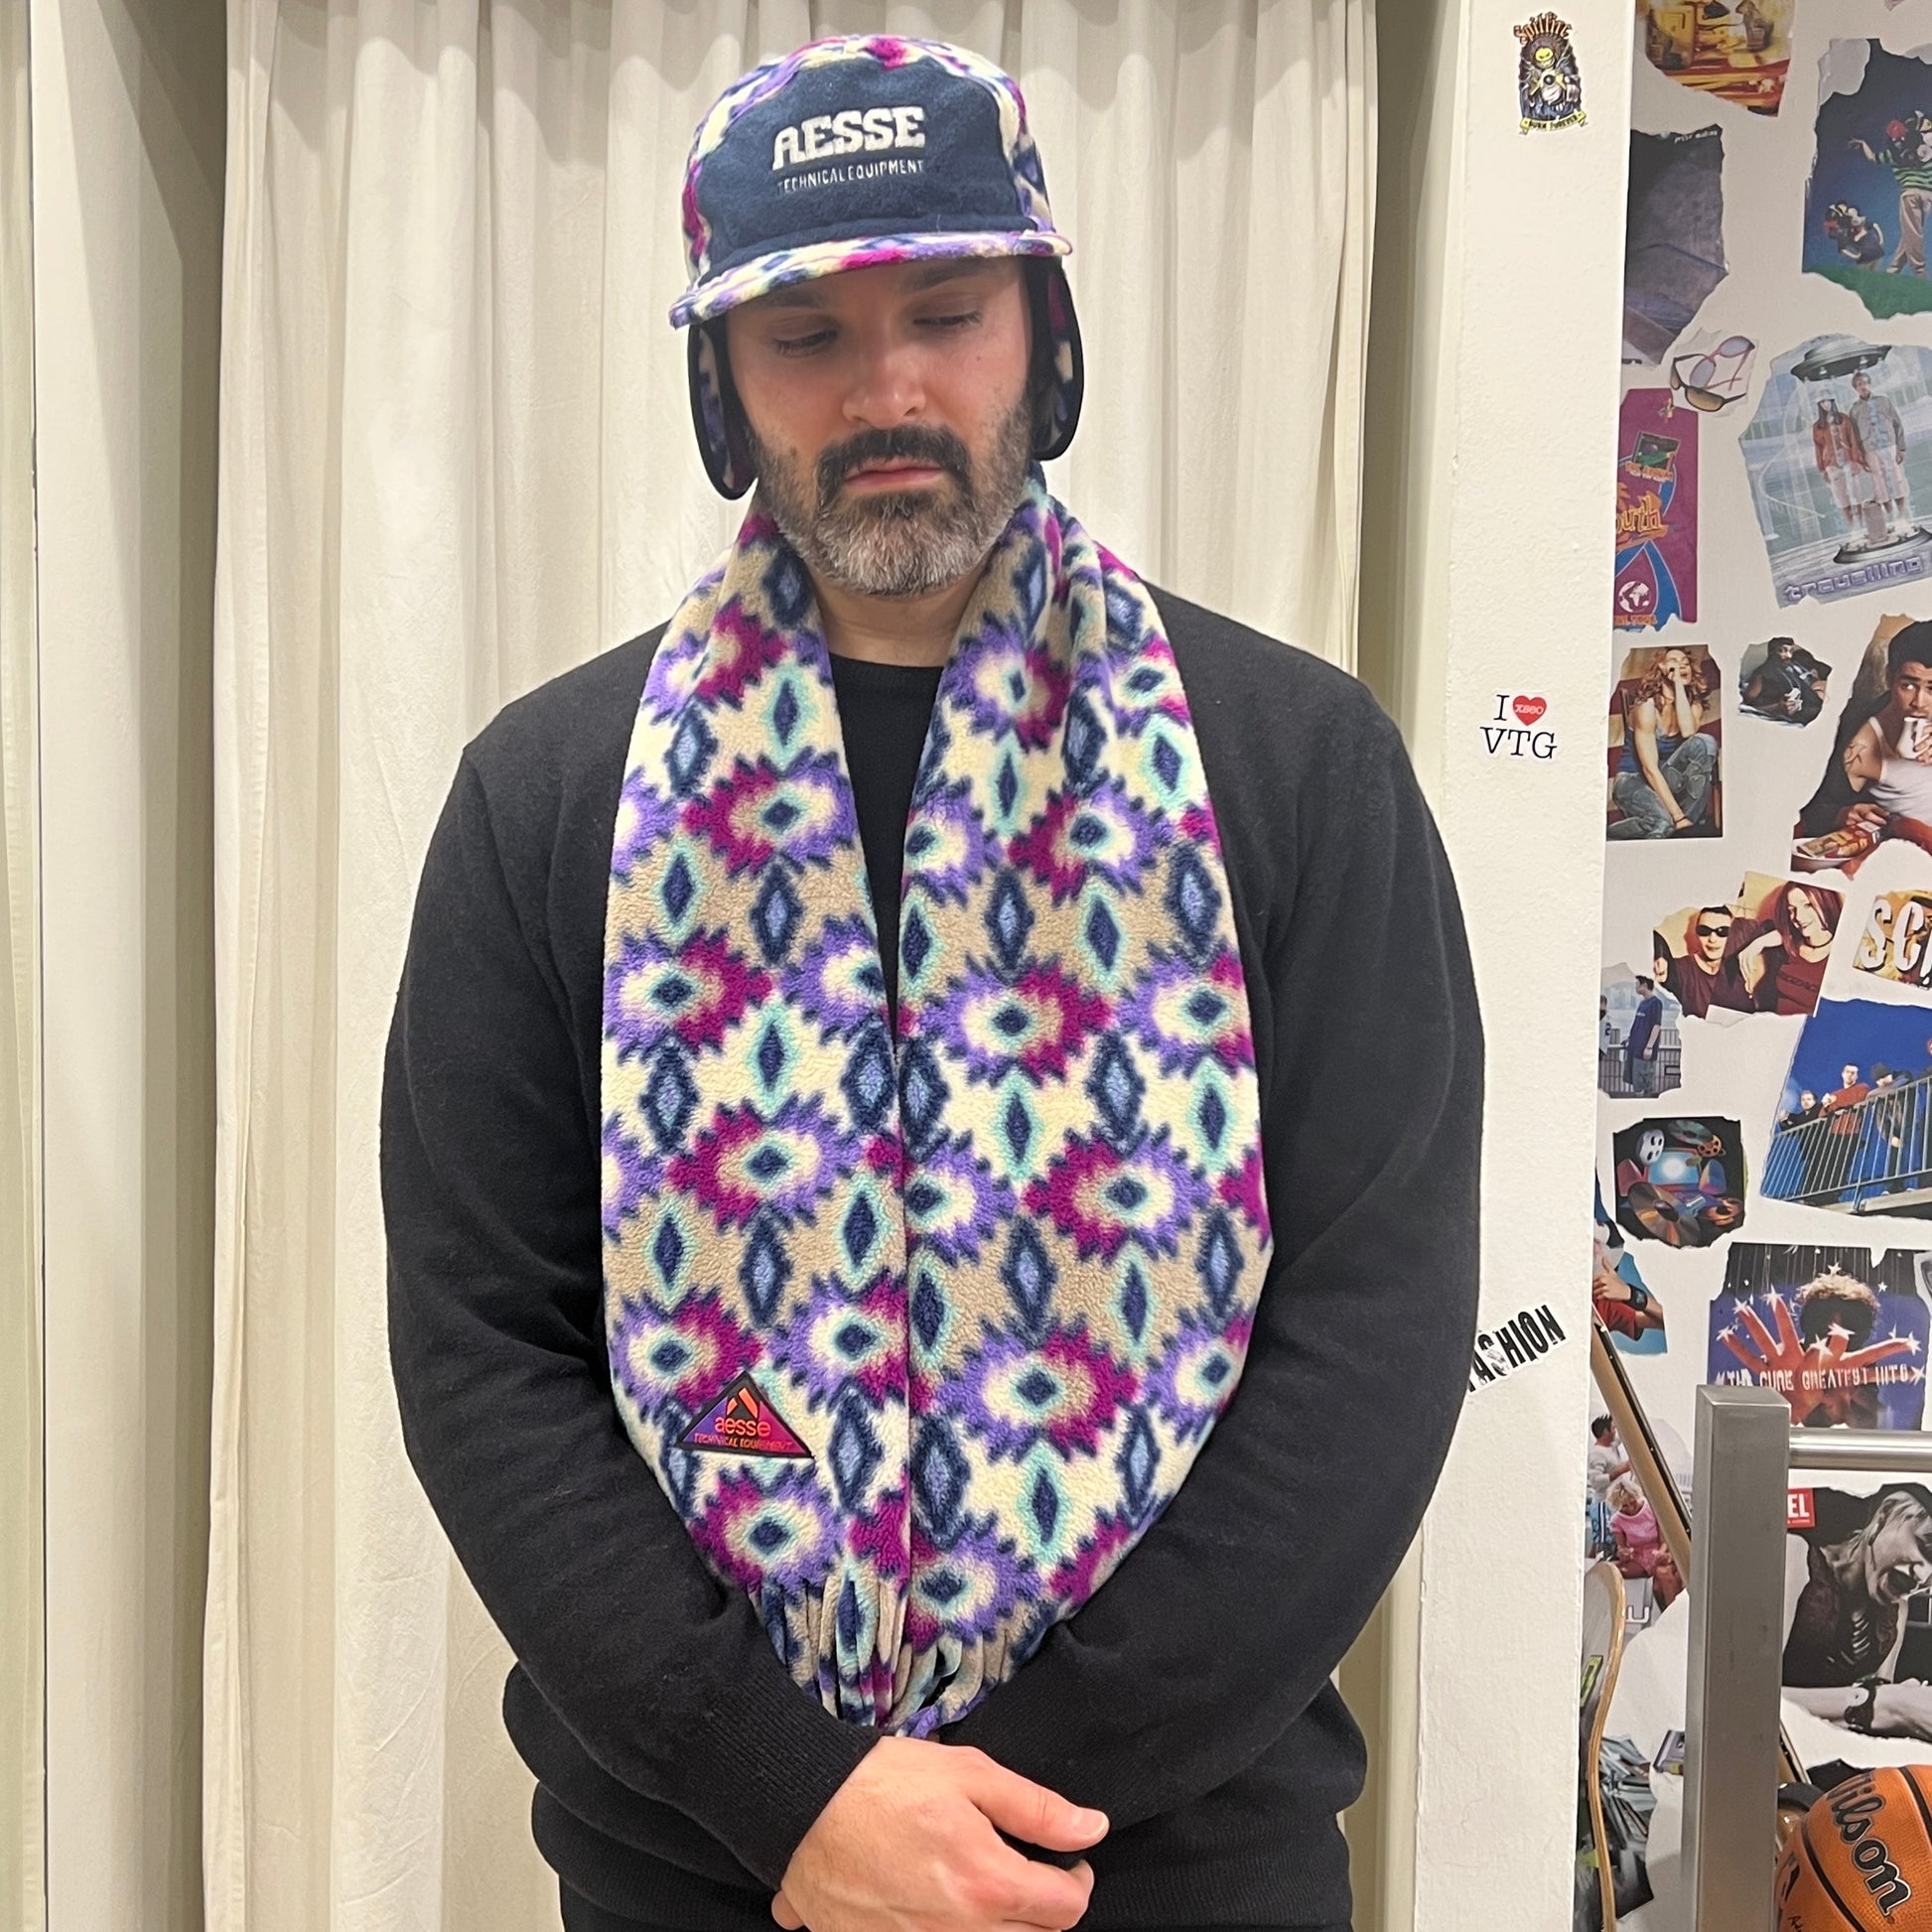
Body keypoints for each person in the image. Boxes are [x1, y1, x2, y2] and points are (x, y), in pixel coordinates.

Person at [379, 37, 1481, 1932]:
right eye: (805, 333)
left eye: (948, 313)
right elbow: (484, 1344)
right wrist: (791, 1795)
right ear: (722, 383)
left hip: (1174, 1866)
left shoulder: (1296, 769)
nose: (887, 388)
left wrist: (984, 1817)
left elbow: (1372, 1327)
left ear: (1045, 335)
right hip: (705, 1866)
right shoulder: (548, 799)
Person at [1784, 1486, 1932, 1737]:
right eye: (1925, 1547)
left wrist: (1902, 1698)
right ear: (1884, 1514)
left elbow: (1876, 1720)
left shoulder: (1896, 1612)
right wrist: (1884, 1703)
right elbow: (1750, 1696)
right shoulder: (1794, 1556)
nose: (1923, 1577)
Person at [1832, 621, 1932, 860]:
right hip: (1914, 851)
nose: (1919, 702)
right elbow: (1815, 808)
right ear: (1889, 678)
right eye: (1908, 685)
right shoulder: (1863, 744)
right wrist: (1842, 814)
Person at [1608, 647, 1718, 839]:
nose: (1681, 666)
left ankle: (1681, 822)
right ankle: (1608, 834)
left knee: (1705, 742)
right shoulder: (1647, 707)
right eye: (1674, 661)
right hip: (1634, 780)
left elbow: (1688, 731)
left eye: (1685, 663)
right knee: (1664, 824)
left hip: (1667, 779)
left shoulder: (1694, 706)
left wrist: (1678, 684)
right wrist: (1677, 816)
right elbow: (1649, 768)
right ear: (1661, 668)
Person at [1737, 880, 1840, 1017]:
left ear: (1826, 903)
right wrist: (1757, 944)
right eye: (1791, 910)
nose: (1798, 917)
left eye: (1808, 905)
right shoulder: (1792, 944)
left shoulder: (1840, 956)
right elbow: (1784, 933)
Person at [1853, 112, 1932, 278]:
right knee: (1911, 234)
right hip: (1927, 196)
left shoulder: (1893, 153)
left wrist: (1863, 143)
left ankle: (1920, 272)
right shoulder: (1927, 151)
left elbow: (1872, 158)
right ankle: (1894, 269)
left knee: (1913, 234)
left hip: (1909, 195)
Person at [1851, 370, 1914, 538]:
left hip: (1889, 445)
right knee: (1879, 482)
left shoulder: (1883, 401)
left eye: (1864, 383)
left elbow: (1897, 424)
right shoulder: (1854, 410)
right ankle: (1891, 516)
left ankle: (1902, 516)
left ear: (1869, 384)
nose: (1862, 387)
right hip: (1870, 449)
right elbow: (1855, 435)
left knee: (1896, 477)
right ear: (1855, 388)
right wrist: (1860, 457)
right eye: (1859, 385)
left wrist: (1901, 448)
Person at [1668, 903, 1753, 1020]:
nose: (1712, 939)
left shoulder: (1742, 967)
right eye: (1704, 931)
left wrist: (1759, 944)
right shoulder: (1679, 969)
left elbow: (1775, 928)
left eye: (1722, 931)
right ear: (1696, 934)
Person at [1739, 634, 1827, 726]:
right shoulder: (1763, 673)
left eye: (1790, 651)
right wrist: (1777, 707)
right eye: (1782, 650)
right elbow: (1747, 704)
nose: (1789, 655)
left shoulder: (1794, 667)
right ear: (1772, 652)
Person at [1624, 976, 1664, 1094]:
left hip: (1644, 1052)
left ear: (1645, 985)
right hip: (1635, 1049)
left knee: (1643, 1084)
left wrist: (1649, 1047)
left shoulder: (1655, 1003)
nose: (1635, 986)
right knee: (1635, 1082)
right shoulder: (1642, 1004)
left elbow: (1656, 1025)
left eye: (1637, 984)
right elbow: (1638, 1025)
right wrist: (1630, 1039)